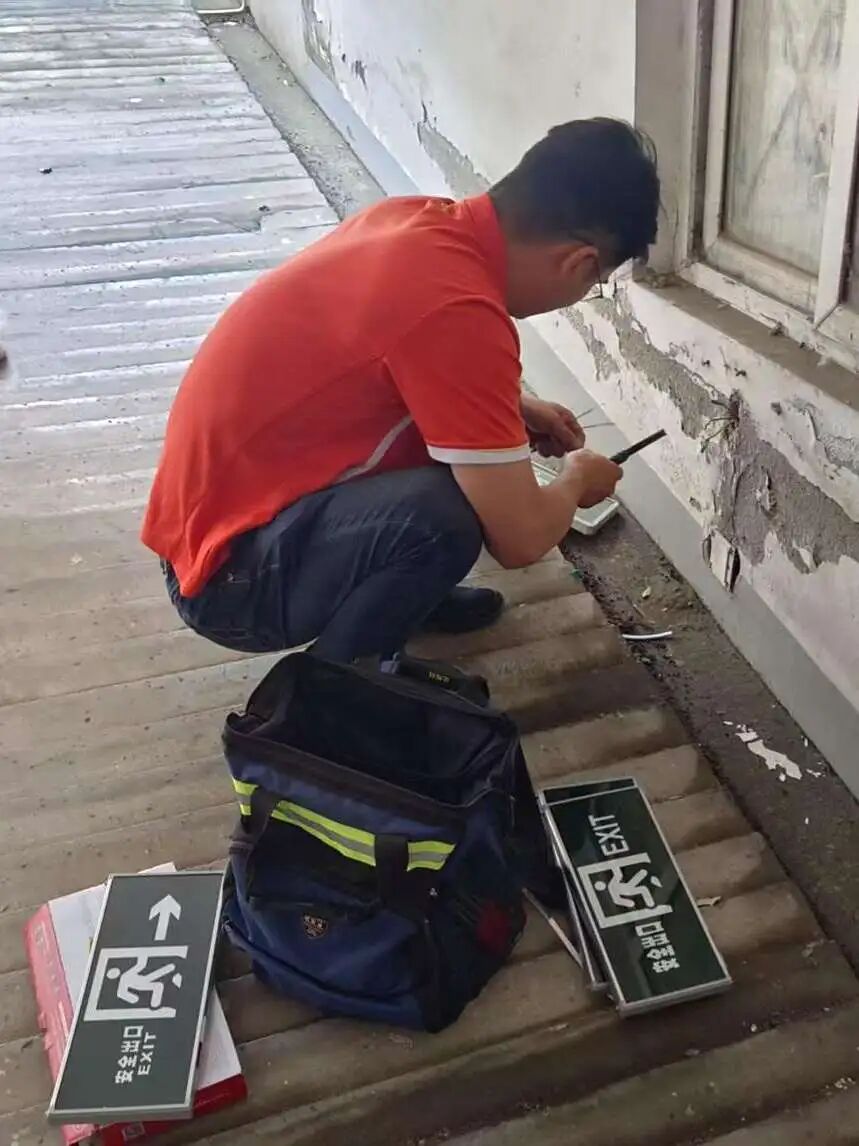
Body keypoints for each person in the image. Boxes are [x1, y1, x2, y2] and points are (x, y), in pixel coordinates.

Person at [142, 118, 659, 663]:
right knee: (444, 519)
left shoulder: (416, 221)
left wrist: (515, 407)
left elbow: (385, 364)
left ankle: (400, 594)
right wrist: (577, 480)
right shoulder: (458, 313)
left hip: (204, 527)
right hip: (229, 585)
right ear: (579, 263)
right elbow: (522, 539)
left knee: (468, 462)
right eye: (595, 283)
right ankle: (338, 688)